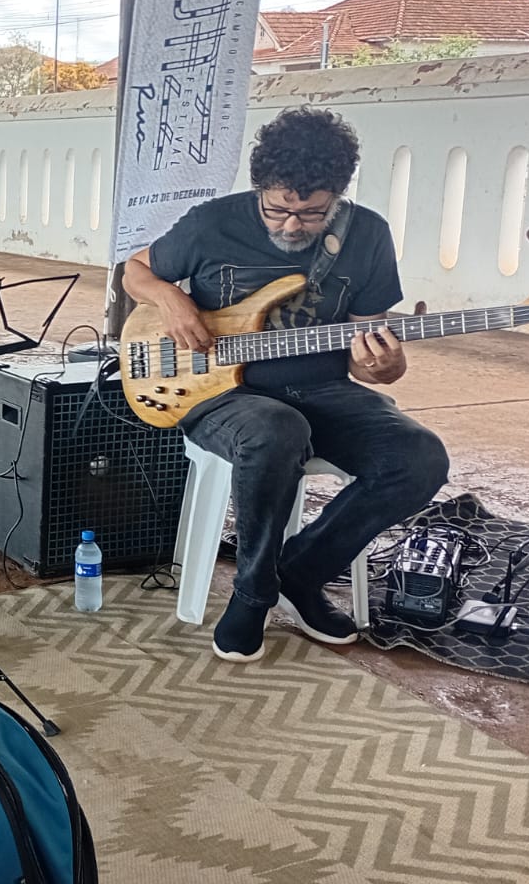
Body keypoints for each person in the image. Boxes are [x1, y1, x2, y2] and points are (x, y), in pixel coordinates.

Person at [122, 106, 450, 662]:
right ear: (261, 190)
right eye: (277, 210)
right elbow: (134, 270)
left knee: (420, 456)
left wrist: (384, 367)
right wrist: (170, 297)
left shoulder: (367, 235)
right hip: (220, 395)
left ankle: (301, 572)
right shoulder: (213, 222)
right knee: (276, 429)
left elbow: (363, 352)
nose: (291, 225)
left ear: (337, 195)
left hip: (323, 388)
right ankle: (252, 593)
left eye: (312, 213)